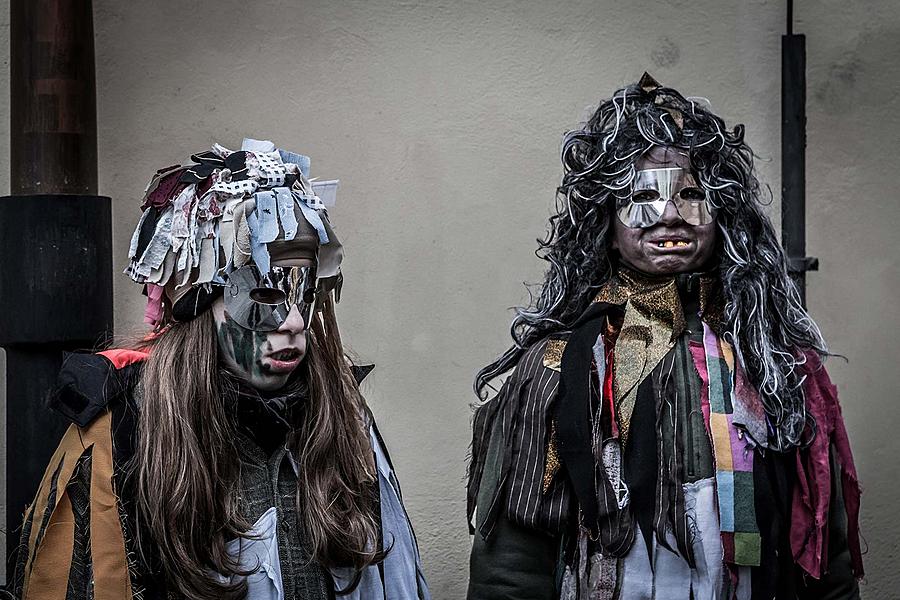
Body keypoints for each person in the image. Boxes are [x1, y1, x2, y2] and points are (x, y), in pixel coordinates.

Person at [467, 74, 863, 600]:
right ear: (604, 221)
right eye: (642, 196)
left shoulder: (775, 362)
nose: (671, 213)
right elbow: (512, 566)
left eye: (692, 193)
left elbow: (826, 553)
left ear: (725, 213)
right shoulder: (557, 366)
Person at [12, 139, 430, 600]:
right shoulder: (123, 434)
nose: (292, 323)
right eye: (264, 293)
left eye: (302, 290)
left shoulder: (346, 422)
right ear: (199, 307)